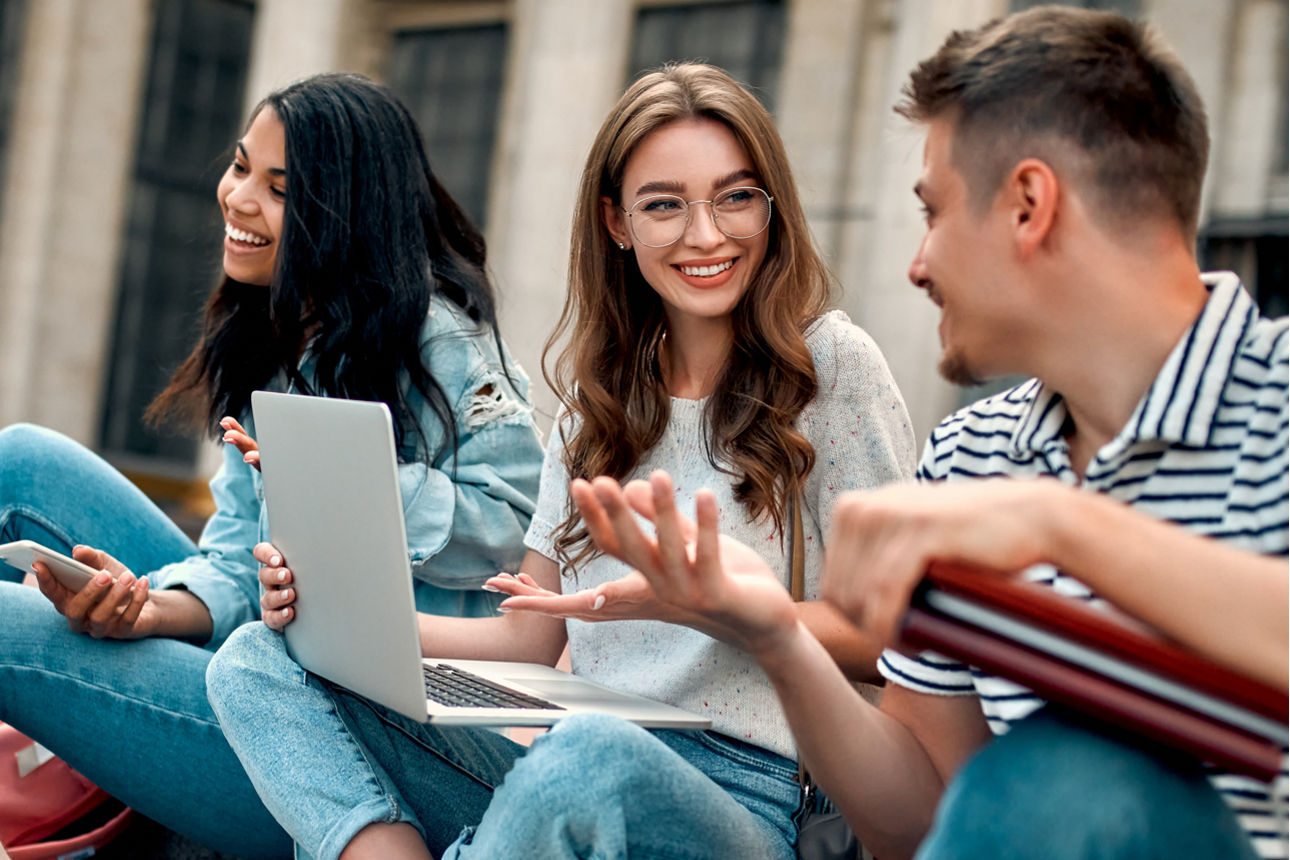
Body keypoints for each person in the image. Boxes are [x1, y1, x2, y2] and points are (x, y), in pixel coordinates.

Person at [560, 7, 1289, 860]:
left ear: (1028, 205)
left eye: (933, 211)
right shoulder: (970, 458)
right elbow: (918, 828)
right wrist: (773, 634)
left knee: (1063, 766)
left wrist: (1058, 526)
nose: (916, 263)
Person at [206, 61, 916, 860]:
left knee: (591, 753)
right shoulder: (597, 404)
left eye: (736, 197)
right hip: (564, 759)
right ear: (617, 223)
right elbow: (530, 642)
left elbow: (899, 633)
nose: (707, 234)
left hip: (749, 796)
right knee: (260, 662)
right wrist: (333, 617)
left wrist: (715, 609)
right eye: (664, 206)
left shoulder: (831, 365)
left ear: (772, 206)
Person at [0, 72, 543, 859]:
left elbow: (512, 525)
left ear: (346, 215)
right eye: (239, 164)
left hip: (354, 736)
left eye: (279, 188)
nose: (236, 196)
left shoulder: (441, 342)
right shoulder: (279, 336)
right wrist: (152, 609)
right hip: (269, 653)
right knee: (21, 459)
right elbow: (232, 564)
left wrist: (340, 485)